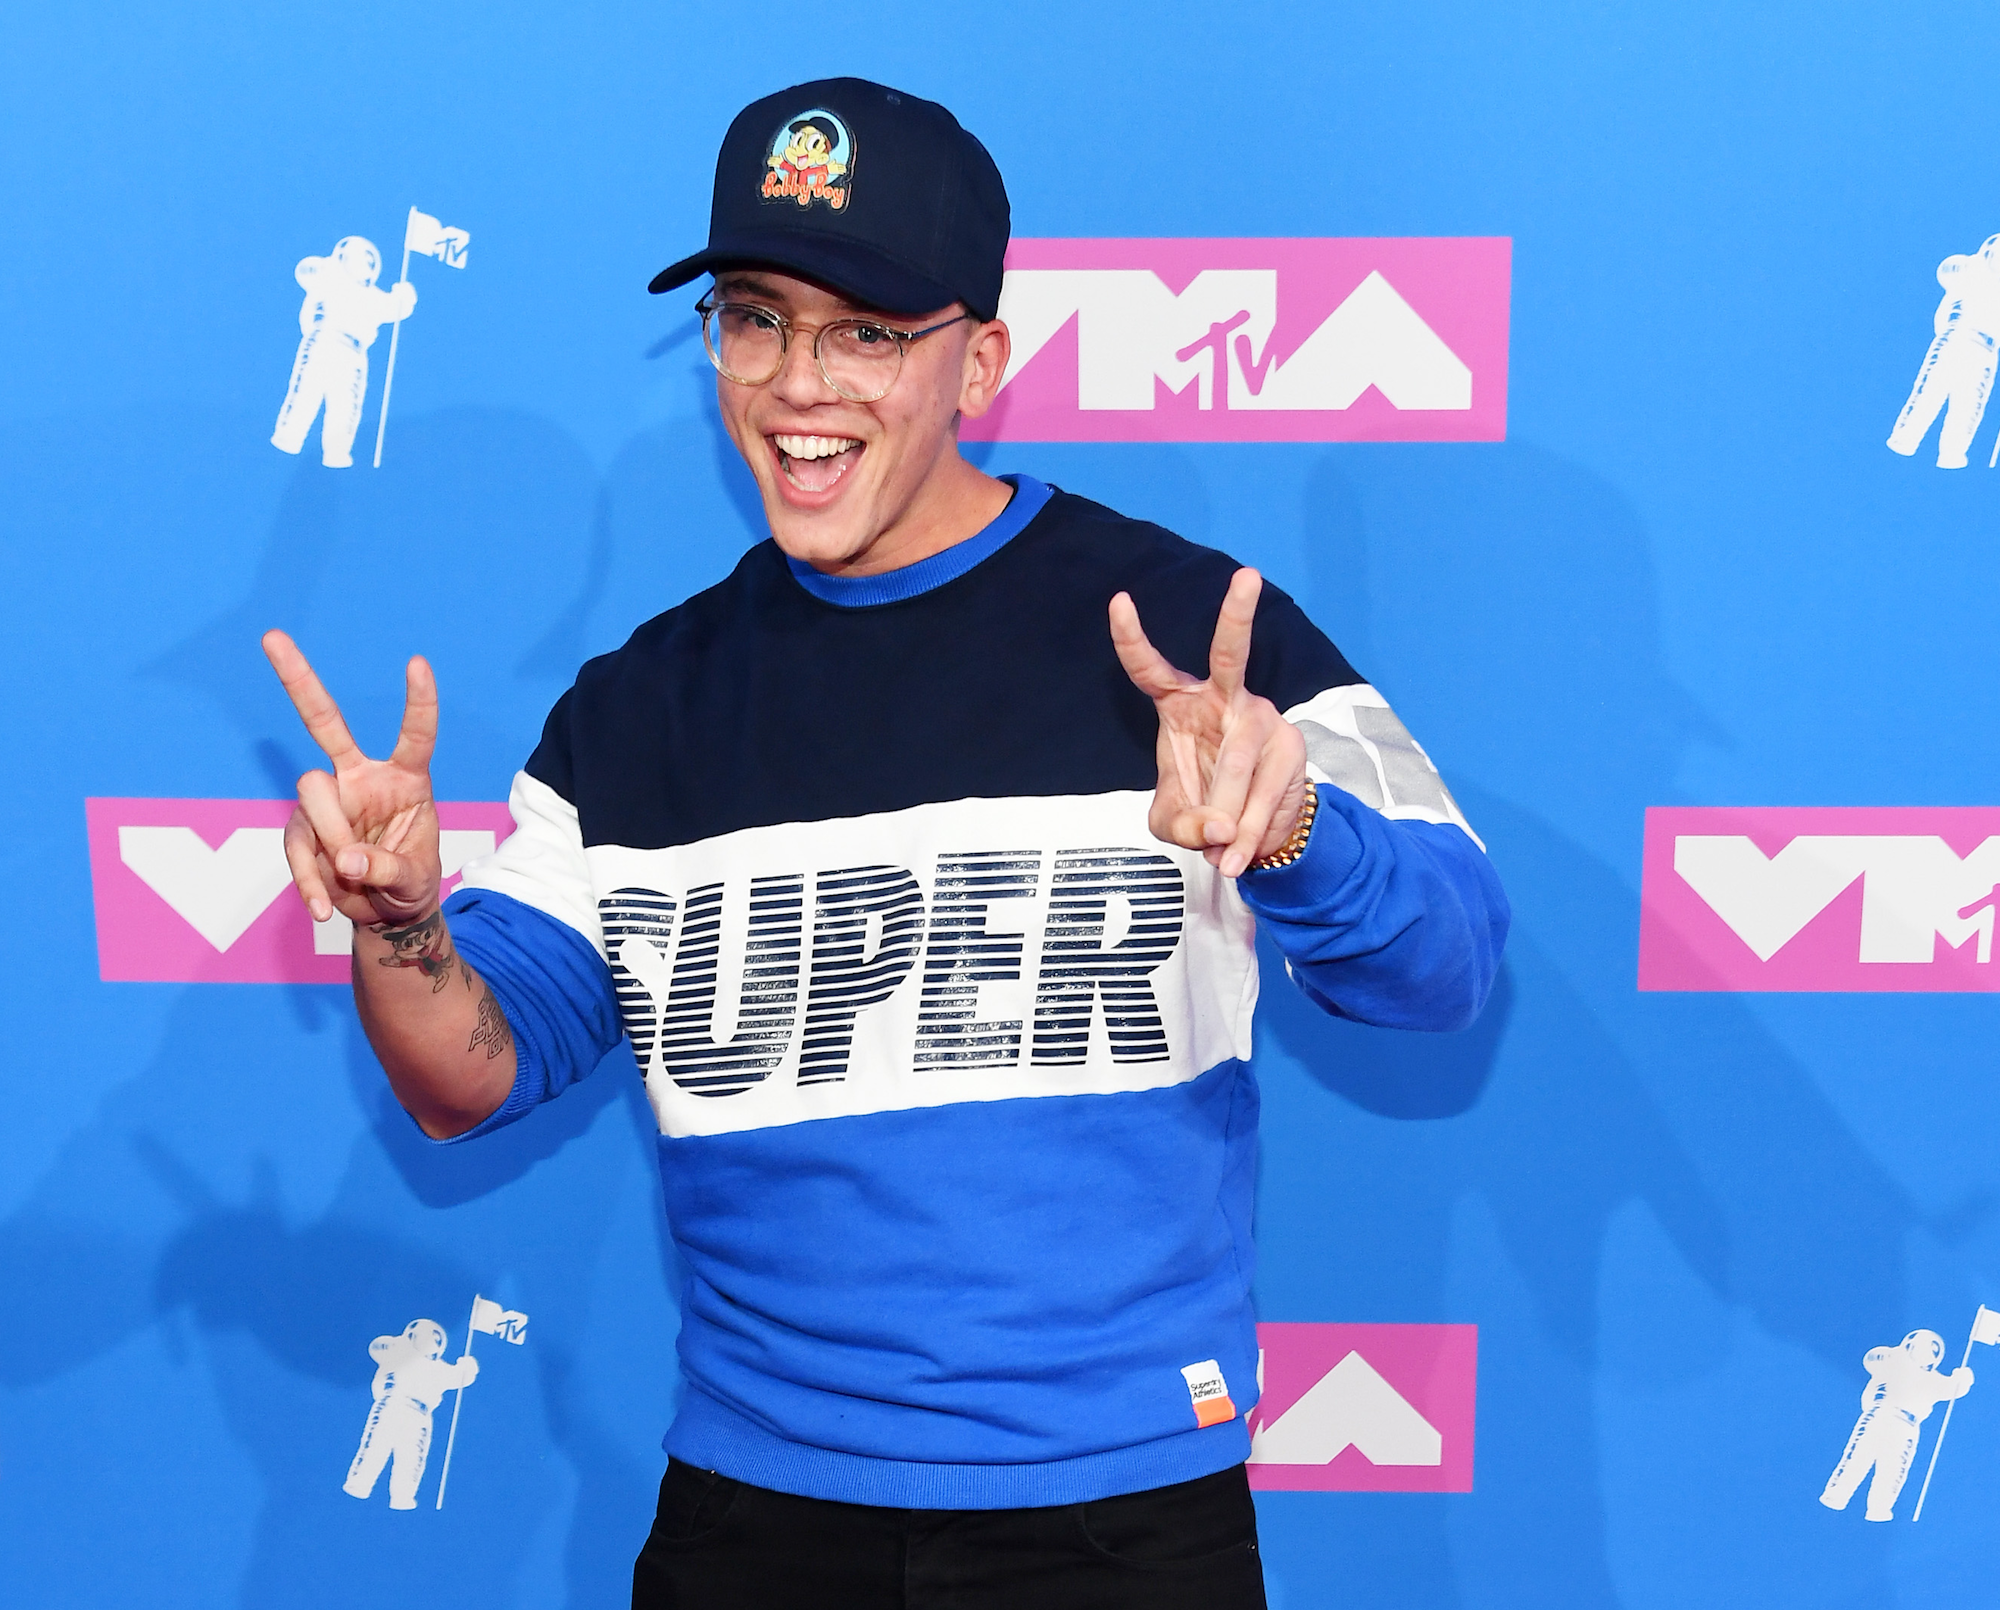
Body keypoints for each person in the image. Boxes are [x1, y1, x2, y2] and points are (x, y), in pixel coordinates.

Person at [261, 78, 1508, 1609]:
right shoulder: (640, 708)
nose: (800, 383)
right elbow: (467, 1077)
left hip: (1115, 1526)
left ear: (980, 360)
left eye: (866, 332)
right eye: (757, 319)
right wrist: (399, 919)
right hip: (753, 1525)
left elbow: (1449, 967)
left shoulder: (1187, 638)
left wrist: (1296, 827)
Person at [271, 235, 416, 469]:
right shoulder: (328, 278)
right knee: (306, 391)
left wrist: (404, 297)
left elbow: (395, 308)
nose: (367, 264)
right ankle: (288, 438)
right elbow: (304, 270)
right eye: (362, 257)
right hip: (324, 340)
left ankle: (336, 452)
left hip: (354, 353)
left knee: (346, 405)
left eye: (371, 262)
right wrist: (328, 266)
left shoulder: (373, 297)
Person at [1819, 1328, 1972, 1522]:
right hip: (1880, 1414)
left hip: (1907, 1425)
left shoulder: (1933, 1380)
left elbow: (1953, 1389)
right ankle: (1836, 1495)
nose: (1925, 1352)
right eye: (1921, 1346)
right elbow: (1871, 1359)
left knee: (1893, 1469)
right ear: (1910, 1346)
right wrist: (1895, 1354)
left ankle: (1879, 1509)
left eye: (1932, 1350)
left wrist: (1963, 1378)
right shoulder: (1892, 1361)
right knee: (1858, 1457)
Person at [1887, 233, 2000, 469]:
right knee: (1932, 390)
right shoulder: (1975, 269)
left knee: (1969, 404)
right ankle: (1906, 440)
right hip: (1959, 336)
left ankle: (1951, 454)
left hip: (1986, 348)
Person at [343, 1318, 479, 1511]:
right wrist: (400, 1344)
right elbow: (376, 1347)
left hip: (419, 1415)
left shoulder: (439, 1368)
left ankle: (402, 1497)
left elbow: (459, 1377)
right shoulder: (398, 1352)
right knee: (376, 1446)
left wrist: (468, 1367)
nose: (430, 1340)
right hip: (393, 1403)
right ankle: (359, 1484)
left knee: (411, 1458)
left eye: (435, 1339)